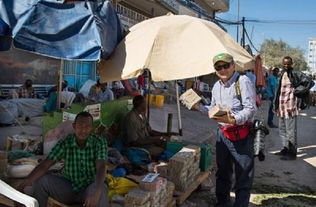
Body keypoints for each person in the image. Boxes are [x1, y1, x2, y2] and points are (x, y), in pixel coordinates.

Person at [193, 53, 257, 207]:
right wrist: (198, 107)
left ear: (233, 65)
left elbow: (251, 109)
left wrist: (233, 119)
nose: (222, 69)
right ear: (215, 70)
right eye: (218, 67)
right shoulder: (216, 86)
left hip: (241, 134)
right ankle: (223, 202)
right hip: (222, 134)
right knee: (222, 172)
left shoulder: (243, 81)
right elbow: (214, 109)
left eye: (226, 65)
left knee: (243, 175)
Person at [18, 112, 109, 207]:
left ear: (92, 128)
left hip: (89, 187)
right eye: (80, 126)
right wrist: (24, 183)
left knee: (101, 190)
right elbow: (45, 165)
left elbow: (101, 166)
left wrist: (97, 191)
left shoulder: (99, 141)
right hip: (69, 188)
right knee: (42, 182)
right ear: (74, 126)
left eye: (87, 127)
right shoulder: (66, 142)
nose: (83, 130)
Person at [274, 56, 314, 160]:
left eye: (288, 64)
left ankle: (292, 154)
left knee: (290, 131)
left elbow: (310, 82)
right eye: (284, 63)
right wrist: (276, 105)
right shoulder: (281, 73)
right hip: (281, 106)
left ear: (292, 64)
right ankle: (285, 148)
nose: (286, 65)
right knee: (282, 129)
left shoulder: (296, 73)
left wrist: (297, 90)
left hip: (290, 106)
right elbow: (278, 91)